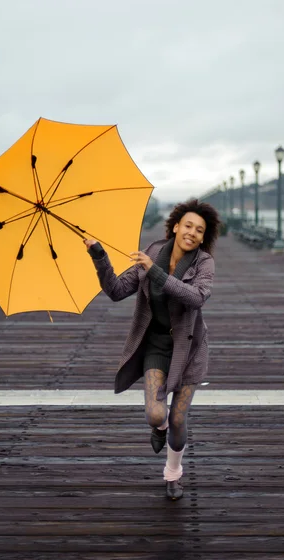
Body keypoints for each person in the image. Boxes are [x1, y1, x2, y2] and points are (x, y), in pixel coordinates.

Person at [83, 198, 220, 500]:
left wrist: (155, 272)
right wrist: (99, 255)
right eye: (188, 225)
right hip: (156, 345)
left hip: (190, 349)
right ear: (175, 226)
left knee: (179, 419)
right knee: (156, 415)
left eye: (199, 230)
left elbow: (196, 297)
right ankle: (159, 429)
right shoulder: (153, 253)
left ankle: (173, 473)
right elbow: (117, 291)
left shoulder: (204, 263)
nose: (193, 233)